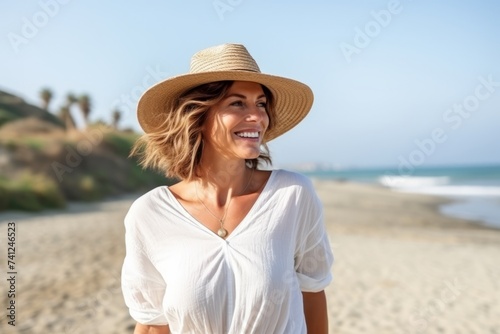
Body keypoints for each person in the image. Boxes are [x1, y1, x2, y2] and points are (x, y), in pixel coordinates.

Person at [121, 43, 334, 334]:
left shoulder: (292, 195)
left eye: (261, 104)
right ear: (199, 116)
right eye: (237, 103)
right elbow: (153, 321)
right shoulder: (149, 214)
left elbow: (313, 292)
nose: (257, 117)